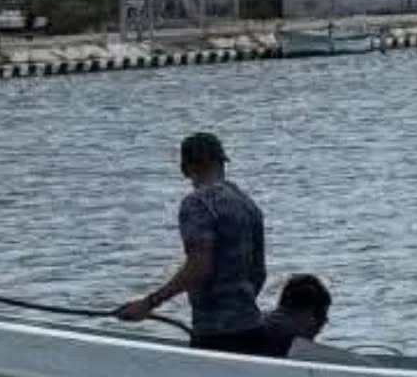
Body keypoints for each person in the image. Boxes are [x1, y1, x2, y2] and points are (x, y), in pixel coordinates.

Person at [118, 132, 268, 354]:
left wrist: (148, 304)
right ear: (221, 163)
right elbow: (259, 273)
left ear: (185, 169)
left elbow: (199, 267)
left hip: (215, 333)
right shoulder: (247, 203)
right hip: (252, 327)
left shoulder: (197, 204)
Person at [258, 274, 332, 358]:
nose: (319, 329)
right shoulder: (294, 343)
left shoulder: (251, 322)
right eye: (321, 319)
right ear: (311, 317)